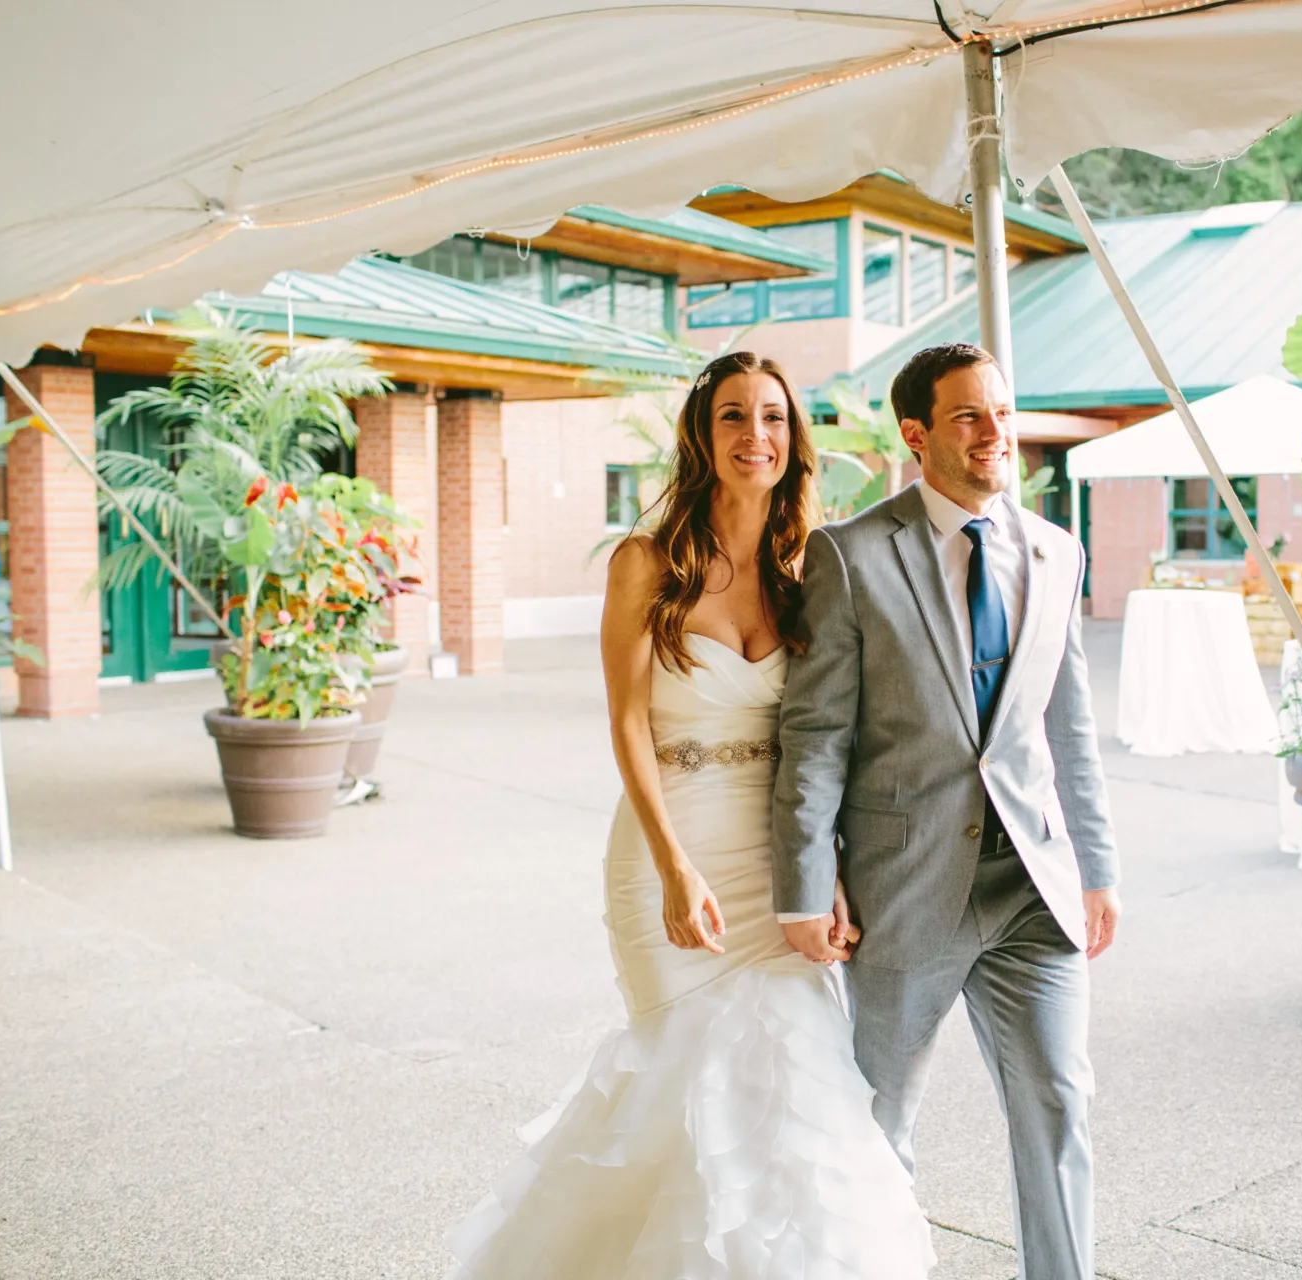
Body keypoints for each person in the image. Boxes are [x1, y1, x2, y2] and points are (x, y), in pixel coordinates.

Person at [444, 351, 934, 1279]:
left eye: (776, 418)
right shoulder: (646, 562)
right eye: (735, 418)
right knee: (685, 1080)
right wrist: (674, 864)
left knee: (791, 1081)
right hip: (669, 842)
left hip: (775, 852)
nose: (758, 436)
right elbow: (627, 719)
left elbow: (832, 738)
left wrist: (826, 869)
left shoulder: (813, 566)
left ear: (795, 438)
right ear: (702, 438)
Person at [773, 343, 1122, 1280]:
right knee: (881, 1120)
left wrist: (1097, 867)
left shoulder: (1056, 551)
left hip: (1031, 890)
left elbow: (1068, 730)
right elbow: (814, 737)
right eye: (969, 416)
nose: (993, 433)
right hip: (905, 890)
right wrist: (805, 886)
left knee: (1059, 1102)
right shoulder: (848, 556)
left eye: (1001, 412)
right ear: (917, 435)